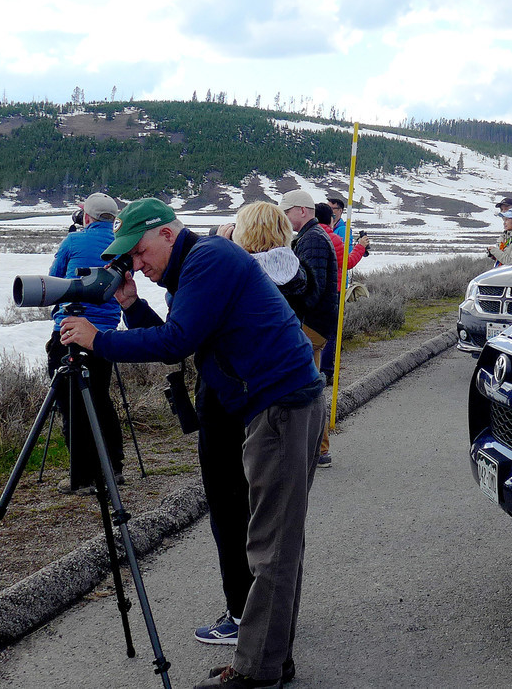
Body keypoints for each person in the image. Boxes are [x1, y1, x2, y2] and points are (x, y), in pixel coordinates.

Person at [60, 197, 325, 689]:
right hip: (276, 404)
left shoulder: (208, 261)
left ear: (165, 233)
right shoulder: (197, 265)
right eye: (132, 260)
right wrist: (131, 306)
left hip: (282, 406)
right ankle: (271, 657)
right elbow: (182, 337)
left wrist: (98, 341)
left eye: (140, 253)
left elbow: (174, 344)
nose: (138, 264)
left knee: (272, 544)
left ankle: (257, 673)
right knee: (276, 539)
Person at [194, 203, 314, 649]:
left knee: (232, 512)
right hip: (276, 400)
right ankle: (272, 613)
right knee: (273, 520)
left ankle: (243, 612)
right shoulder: (293, 272)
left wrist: (221, 244)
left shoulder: (240, 275)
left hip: (234, 405)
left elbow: (187, 322)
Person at [46, 192, 125, 494]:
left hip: (68, 332)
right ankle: (113, 467)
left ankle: (83, 477)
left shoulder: (73, 242)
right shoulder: (120, 244)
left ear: (87, 217)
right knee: (101, 400)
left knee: (71, 403)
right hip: (105, 336)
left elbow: (53, 283)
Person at [280, 189, 338, 468]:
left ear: (301, 210)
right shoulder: (313, 236)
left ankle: (316, 449)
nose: (285, 217)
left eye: (287, 211)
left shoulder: (312, 239)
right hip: (315, 323)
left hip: (311, 324)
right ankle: (318, 449)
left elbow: (311, 289)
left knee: (307, 387)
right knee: (311, 385)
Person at [314, 202, 367, 387]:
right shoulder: (333, 237)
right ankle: (326, 372)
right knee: (331, 333)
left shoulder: (307, 235)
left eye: (335, 208)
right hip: (332, 290)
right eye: (331, 210)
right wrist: (361, 247)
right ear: (329, 217)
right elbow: (347, 262)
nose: (333, 213)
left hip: (312, 292)